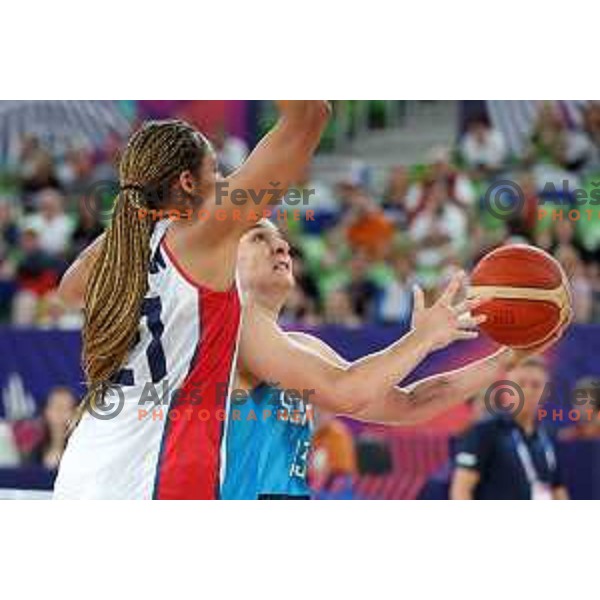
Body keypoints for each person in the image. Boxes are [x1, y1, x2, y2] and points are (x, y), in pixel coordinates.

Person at [54, 102, 331, 499]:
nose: (222, 182)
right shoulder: (206, 233)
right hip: (158, 473)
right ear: (187, 182)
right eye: (215, 172)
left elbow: (68, 292)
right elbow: (310, 117)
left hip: (86, 465)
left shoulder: (112, 252)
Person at [220, 220, 547, 500]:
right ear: (223, 258)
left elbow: (410, 404)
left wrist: (507, 359)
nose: (280, 246)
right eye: (259, 237)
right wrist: (421, 340)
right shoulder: (235, 328)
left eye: (281, 240)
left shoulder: (303, 347)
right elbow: (347, 392)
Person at [450, 357, 570, 500]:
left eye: (536, 385)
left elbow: (557, 487)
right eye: (520, 384)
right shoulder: (485, 430)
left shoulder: (548, 434)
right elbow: (461, 491)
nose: (528, 390)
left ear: (546, 391)